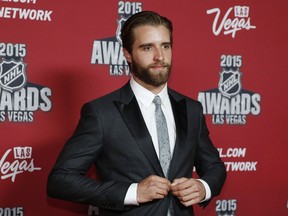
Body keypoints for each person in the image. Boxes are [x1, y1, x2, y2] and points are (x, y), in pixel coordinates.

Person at [47, 11, 226, 216]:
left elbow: (214, 167)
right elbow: (60, 180)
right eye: (147, 47)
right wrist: (133, 192)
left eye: (165, 46)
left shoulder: (192, 109)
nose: (159, 56)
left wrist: (204, 187)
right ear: (128, 54)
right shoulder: (102, 113)